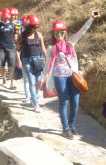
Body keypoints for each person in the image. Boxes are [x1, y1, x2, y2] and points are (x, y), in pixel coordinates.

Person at [37, 11, 99, 140]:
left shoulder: (71, 42)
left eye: (61, 32)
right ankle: (65, 128)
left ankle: (71, 124)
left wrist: (91, 18)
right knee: (64, 102)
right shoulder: (51, 48)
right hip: (59, 78)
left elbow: (82, 31)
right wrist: (42, 79)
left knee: (75, 101)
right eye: (56, 33)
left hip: (72, 77)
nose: (59, 35)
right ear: (53, 34)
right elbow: (48, 65)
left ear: (65, 32)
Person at [16, 14, 46, 112]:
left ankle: (34, 96)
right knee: (32, 81)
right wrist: (19, 61)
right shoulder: (22, 36)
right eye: (34, 26)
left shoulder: (39, 35)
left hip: (38, 60)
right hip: (27, 60)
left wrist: (47, 59)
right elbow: (17, 50)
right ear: (29, 27)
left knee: (38, 81)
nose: (36, 28)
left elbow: (43, 48)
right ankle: (36, 103)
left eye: (37, 26)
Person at [0, 11, 18, 89]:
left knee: (11, 66)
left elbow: (16, 35)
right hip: (1, 47)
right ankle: (3, 78)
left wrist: (16, 42)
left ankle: (12, 83)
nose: (6, 19)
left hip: (10, 47)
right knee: (2, 65)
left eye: (7, 18)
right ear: (2, 17)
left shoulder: (12, 25)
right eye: (4, 18)